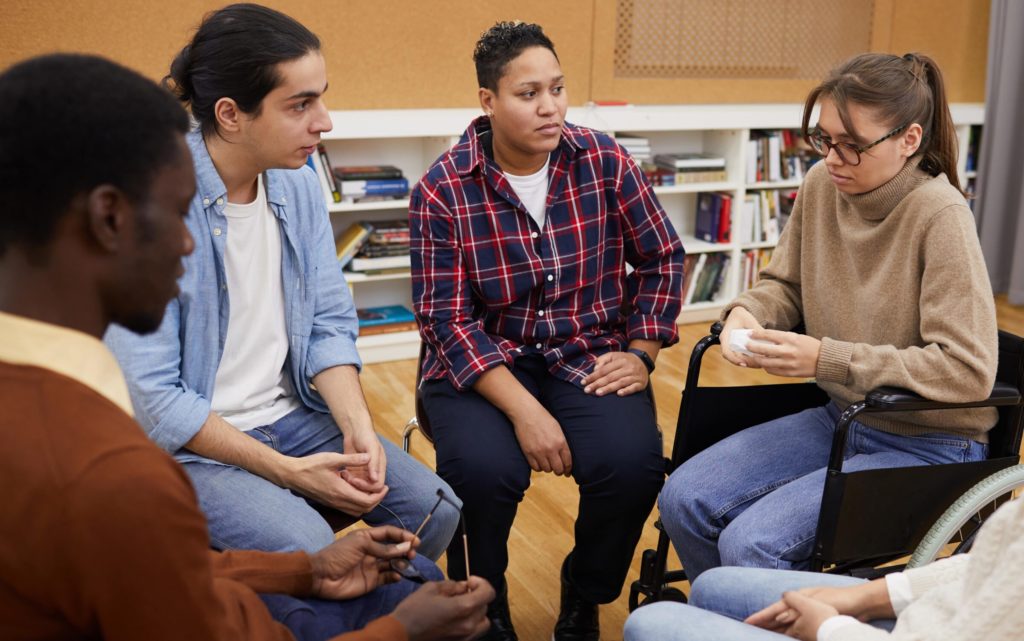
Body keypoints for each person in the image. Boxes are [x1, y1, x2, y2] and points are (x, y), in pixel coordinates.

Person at [0, 52, 494, 641]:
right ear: (108, 216)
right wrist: (403, 631)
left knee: (431, 507)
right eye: (181, 213)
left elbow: (162, 573)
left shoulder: (60, 416)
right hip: (199, 447)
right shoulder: (114, 473)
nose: (190, 244)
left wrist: (304, 572)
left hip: (283, 429)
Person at [103, 3, 459, 558]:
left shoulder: (298, 187)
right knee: (309, 545)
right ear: (230, 114)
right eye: (300, 105)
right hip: (183, 448)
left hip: (288, 414)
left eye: (321, 96)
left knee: (436, 510)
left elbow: (327, 323)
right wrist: (289, 473)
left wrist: (356, 424)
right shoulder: (145, 208)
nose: (325, 120)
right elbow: (155, 401)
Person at [658, 51, 999, 582]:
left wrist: (828, 358)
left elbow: (967, 368)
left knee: (751, 545)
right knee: (682, 499)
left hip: (930, 445)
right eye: (823, 139)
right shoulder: (822, 185)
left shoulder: (941, 216)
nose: (833, 157)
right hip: (842, 417)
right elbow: (784, 285)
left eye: (853, 145)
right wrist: (747, 312)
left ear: (909, 140)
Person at [409, 21, 685, 641]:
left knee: (632, 465)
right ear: (488, 101)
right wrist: (527, 413)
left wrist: (641, 354)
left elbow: (663, 256)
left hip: (583, 351)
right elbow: (446, 321)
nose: (550, 106)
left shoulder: (604, 159)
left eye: (557, 89)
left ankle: (584, 591)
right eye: (528, 93)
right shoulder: (442, 189)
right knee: (483, 473)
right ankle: (487, 600)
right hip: (481, 363)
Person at [624, 495, 1024, 640]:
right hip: (936, 614)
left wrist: (828, 627)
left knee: (649, 622)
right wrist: (864, 598)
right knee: (712, 583)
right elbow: (986, 563)